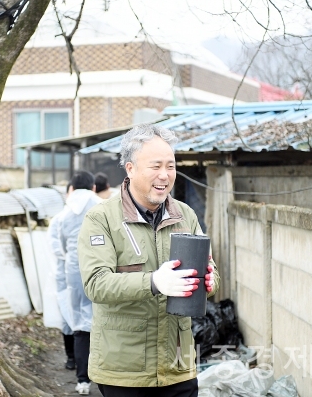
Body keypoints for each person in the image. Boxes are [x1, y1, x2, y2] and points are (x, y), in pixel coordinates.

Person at [77, 124, 220, 397]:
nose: (165, 176)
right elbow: (96, 284)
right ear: (130, 169)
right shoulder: (101, 219)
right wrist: (154, 281)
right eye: (155, 166)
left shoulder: (186, 215)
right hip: (124, 371)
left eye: (171, 166)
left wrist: (210, 279)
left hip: (178, 365)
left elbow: (211, 268)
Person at [58, 171, 101, 395]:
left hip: (74, 271)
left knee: (80, 326)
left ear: (72, 188)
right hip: (99, 268)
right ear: (93, 187)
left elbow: (62, 243)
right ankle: (106, 378)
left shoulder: (65, 211)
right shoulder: (102, 205)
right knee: (103, 322)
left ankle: (82, 380)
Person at [47, 183, 75, 370]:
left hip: (80, 275)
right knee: (67, 317)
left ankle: (81, 359)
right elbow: (56, 248)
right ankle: (71, 357)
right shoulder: (60, 219)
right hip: (65, 276)